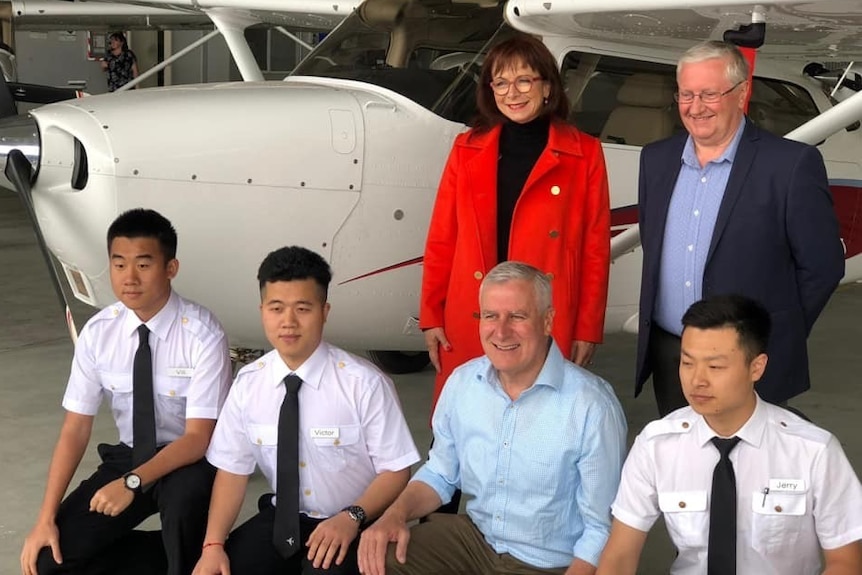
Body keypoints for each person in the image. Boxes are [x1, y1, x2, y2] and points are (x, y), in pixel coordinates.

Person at [358, 261, 627, 575]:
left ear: (547, 321)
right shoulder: (462, 383)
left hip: (548, 562)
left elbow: (601, 527)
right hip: (477, 541)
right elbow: (442, 474)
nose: (501, 331)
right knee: (377, 555)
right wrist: (396, 514)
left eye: (517, 316)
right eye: (490, 316)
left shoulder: (591, 405)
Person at [636, 40, 844, 416]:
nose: (696, 107)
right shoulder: (656, 160)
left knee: (750, 468)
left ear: (742, 92)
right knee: (681, 467)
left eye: (710, 94)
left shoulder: (790, 164)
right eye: (687, 94)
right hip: (673, 355)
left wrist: (768, 336)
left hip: (747, 360)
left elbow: (823, 266)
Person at [20, 208, 232, 575]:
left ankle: (183, 555)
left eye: (143, 265)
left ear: (171, 268)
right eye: (119, 265)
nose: (129, 278)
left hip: (190, 461)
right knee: (48, 559)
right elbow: (75, 429)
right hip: (129, 456)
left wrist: (132, 483)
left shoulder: (202, 334)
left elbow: (199, 438)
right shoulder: (100, 333)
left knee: (183, 512)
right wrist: (45, 517)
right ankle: (160, 555)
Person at [192, 246, 420, 575]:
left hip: (354, 519)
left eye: (303, 308)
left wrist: (352, 517)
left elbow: (396, 470)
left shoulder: (364, 384)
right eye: (276, 308)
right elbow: (232, 470)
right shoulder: (248, 383)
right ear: (262, 311)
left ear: (324, 311)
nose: (289, 322)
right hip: (282, 519)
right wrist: (212, 545)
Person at [598, 294, 862, 575]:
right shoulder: (656, 445)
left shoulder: (813, 451)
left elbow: (845, 562)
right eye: (687, 363)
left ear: (756, 367)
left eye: (715, 367)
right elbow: (620, 555)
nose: (697, 379)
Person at [421, 32, 611, 411]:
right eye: (501, 83)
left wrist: (588, 327)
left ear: (547, 86)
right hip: (472, 309)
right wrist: (431, 314)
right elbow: (443, 237)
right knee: (465, 421)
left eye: (524, 80)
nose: (512, 92)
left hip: (542, 313)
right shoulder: (467, 148)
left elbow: (594, 248)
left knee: (536, 425)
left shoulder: (584, 153)